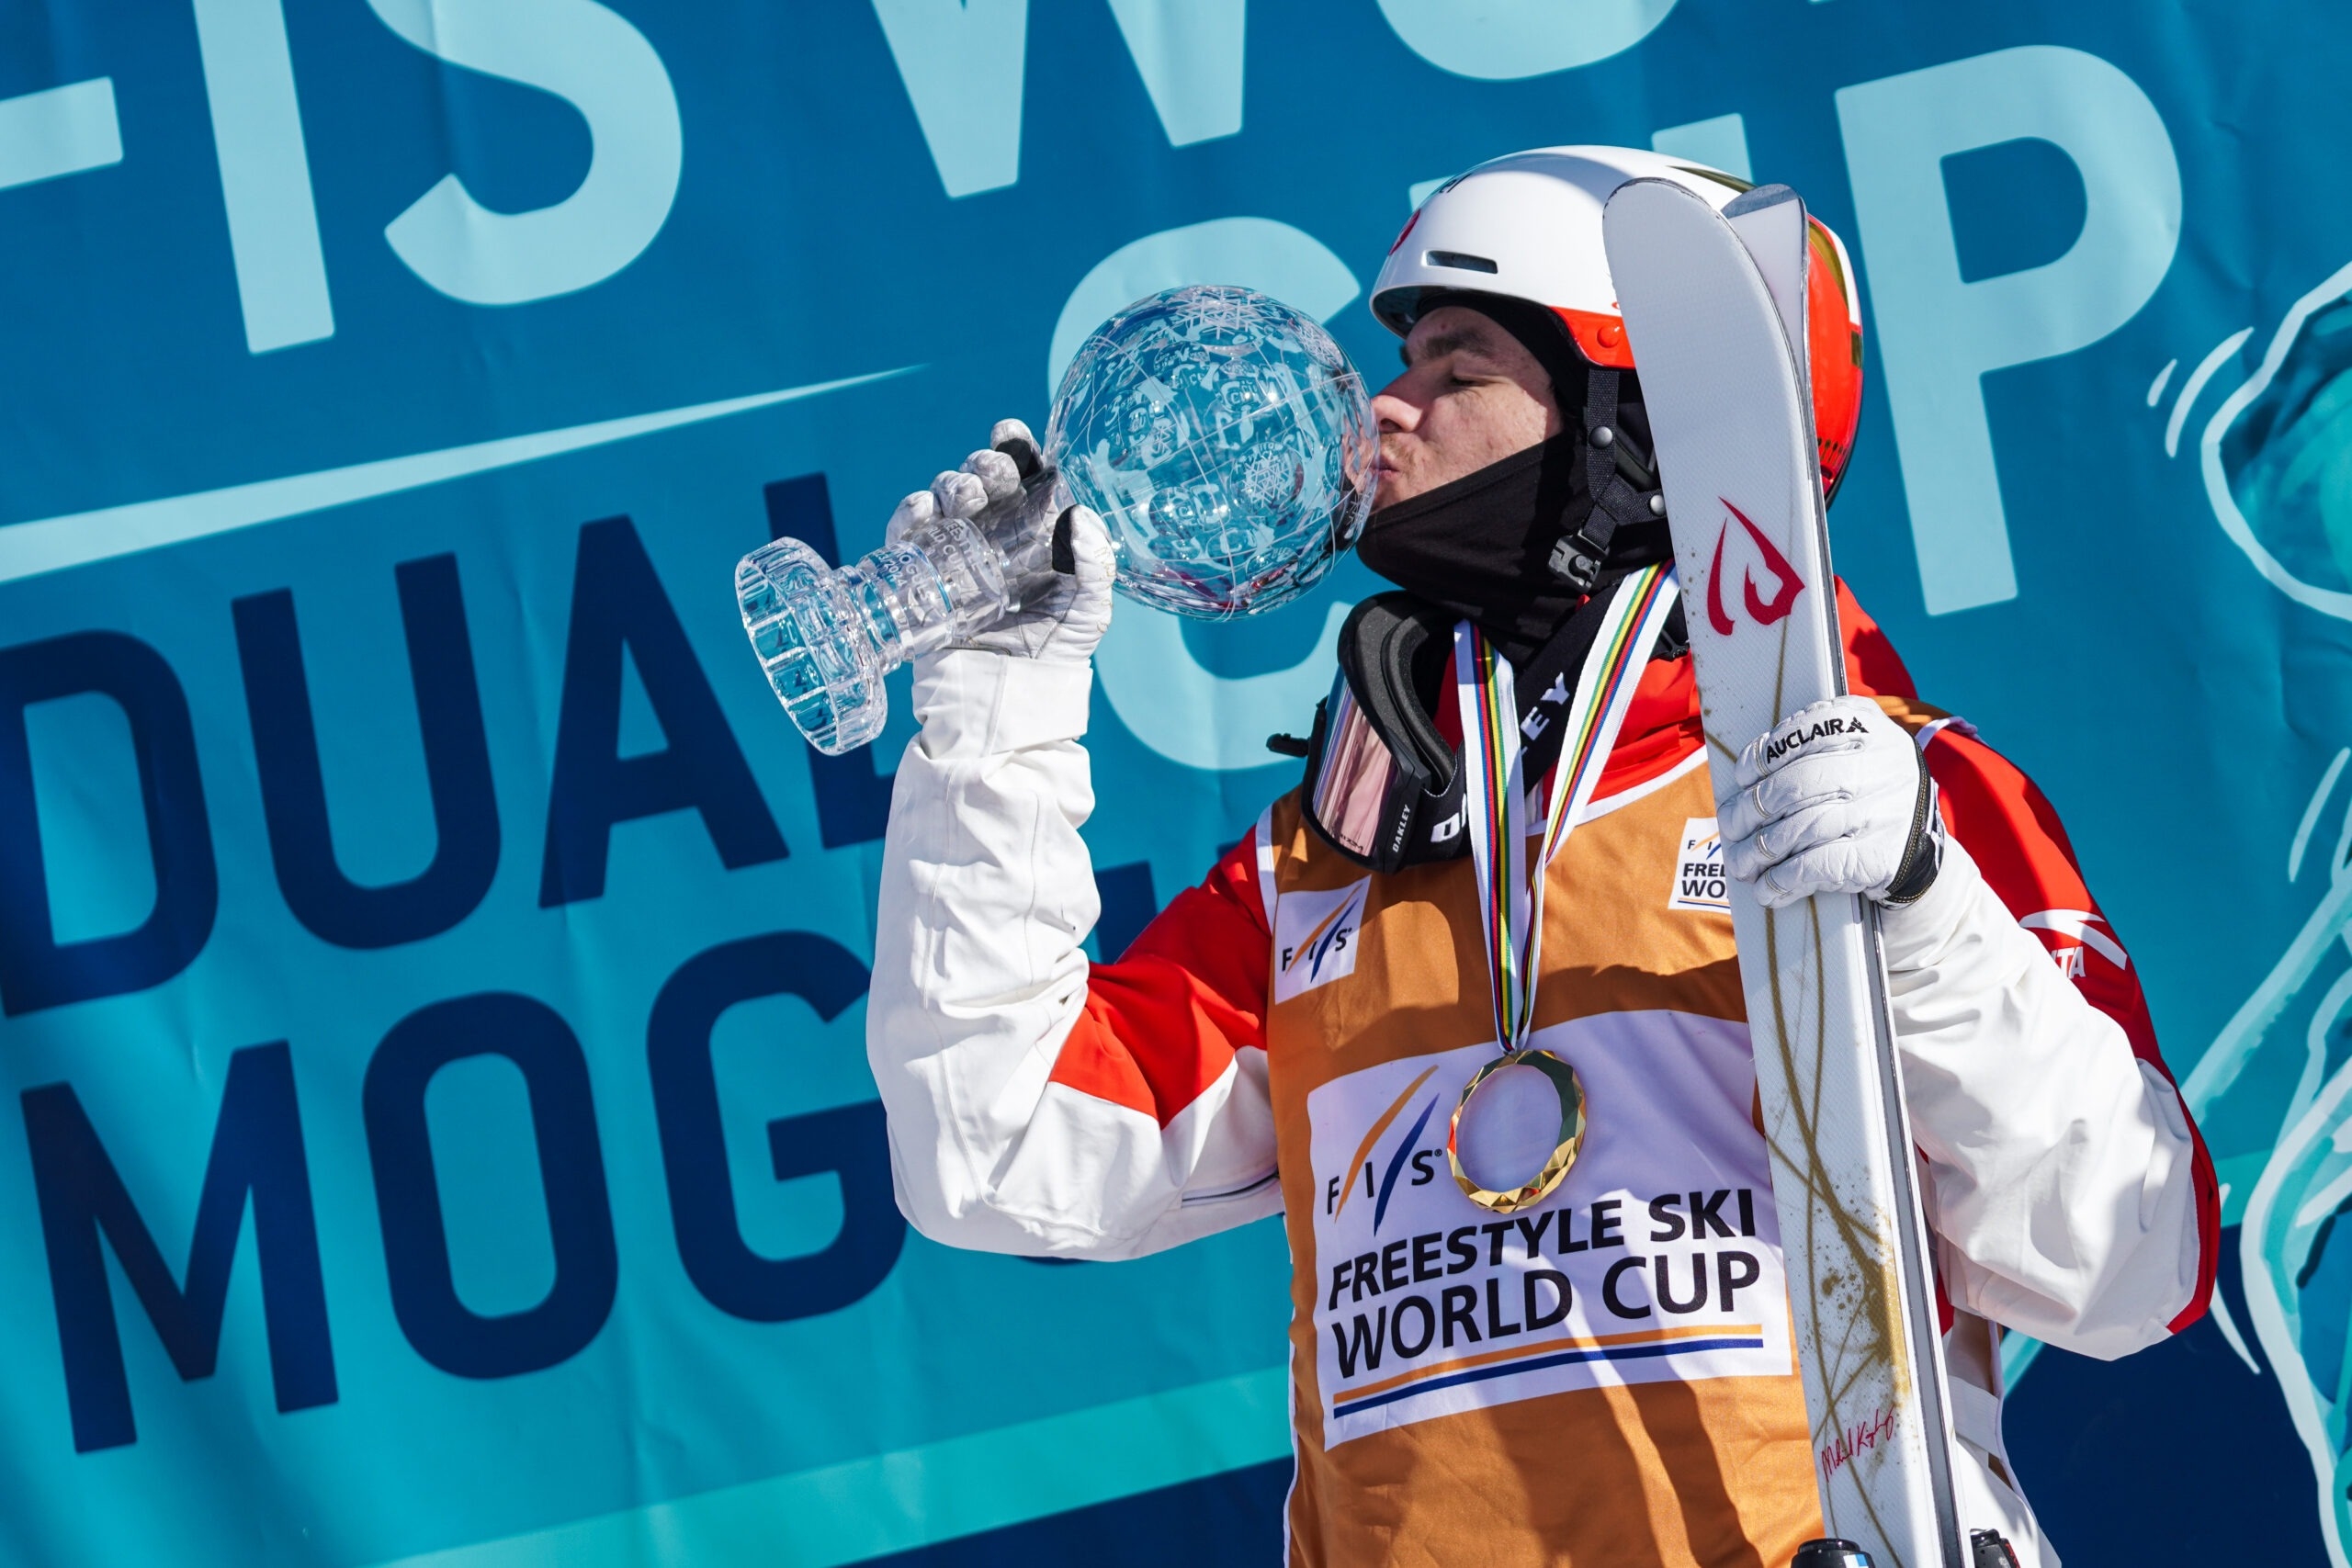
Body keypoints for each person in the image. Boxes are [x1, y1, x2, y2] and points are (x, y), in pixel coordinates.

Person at [865, 146, 2217, 1567]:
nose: (1386, 407)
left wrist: (1926, 913)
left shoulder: (1892, 794)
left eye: (1458, 367)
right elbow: (994, 1153)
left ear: (1644, 422)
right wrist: (996, 711)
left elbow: (2136, 1264)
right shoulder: (1330, 854)